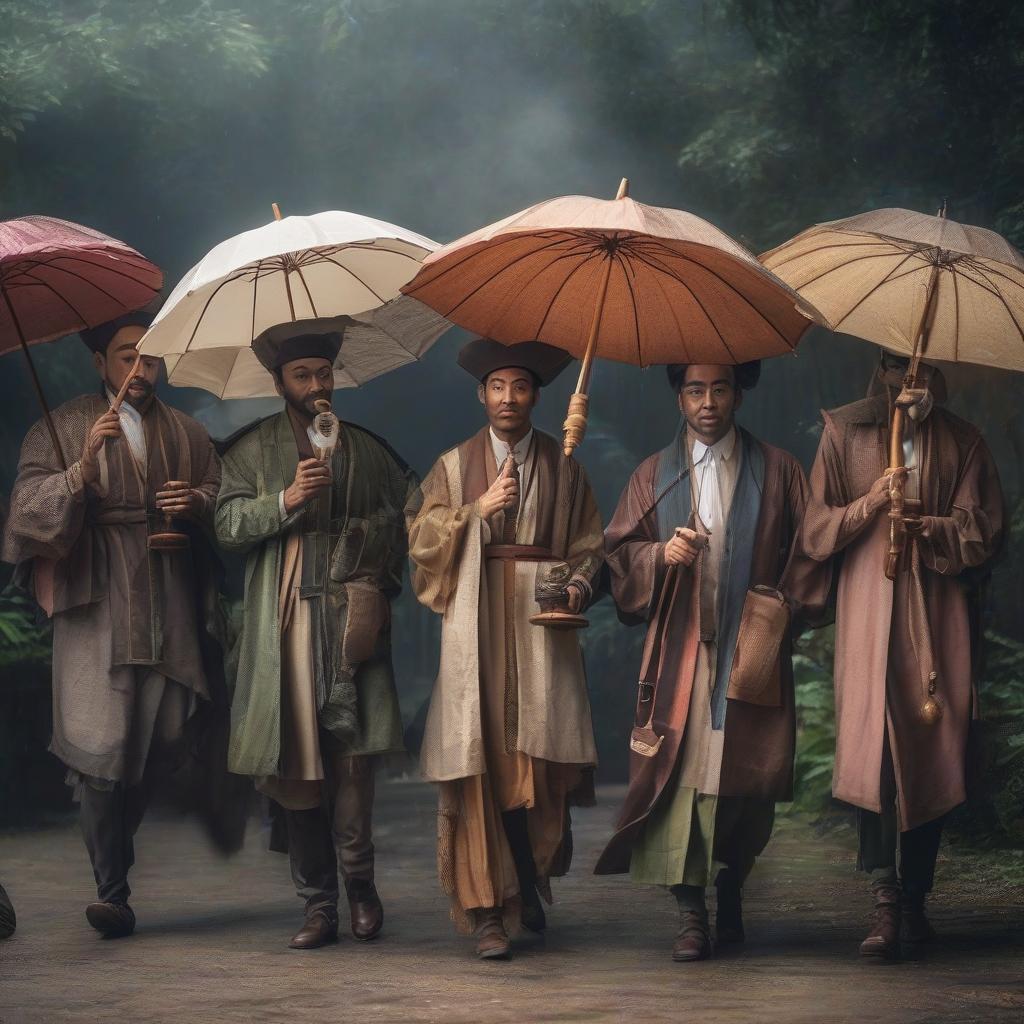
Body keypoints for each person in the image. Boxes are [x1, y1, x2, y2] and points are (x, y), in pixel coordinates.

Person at [2, 306, 223, 938]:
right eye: (128, 356)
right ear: (99, 362)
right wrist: (79, 470)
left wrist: (196, 508)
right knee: (100, 746)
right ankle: (112, 891)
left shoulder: (187, 431)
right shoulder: (60, 424)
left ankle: (115, 863)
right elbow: (25, 510)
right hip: (95, 601)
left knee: (158, 742)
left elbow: (218, 495)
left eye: (150, 357)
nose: (141, 368)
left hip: (167, 597)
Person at [595, 361, 815, 962]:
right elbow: (618, 554)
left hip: (753, 653)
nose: (708, 402)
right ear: (679, 398)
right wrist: (661, 554)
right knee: (680, 782)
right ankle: (691, 912)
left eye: (720, 388)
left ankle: (732, 882)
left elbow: (811, 550)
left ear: (738, 393)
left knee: (748, 784)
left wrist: (782, 609)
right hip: (682, 654)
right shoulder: (654, 477)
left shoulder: (779, 470)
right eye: (695, 389)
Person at [796, 351, 1004, 961]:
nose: (909, 376)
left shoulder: (963, 440)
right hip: (868, 609)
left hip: (936, 612)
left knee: (932, 744)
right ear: (881, 361)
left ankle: (916, 897)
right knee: (877, 749)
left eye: (921, 366)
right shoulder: (845, 430)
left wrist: (927, 525)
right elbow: (814, 530)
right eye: (897, 363)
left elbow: (983, 530)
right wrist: (872, 504)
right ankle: (886, 899)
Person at [216, 323, 414, 950]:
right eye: (302, 376)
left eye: (323, 374)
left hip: (350, 623)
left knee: (352, 765)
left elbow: (409, 519)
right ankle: (318, 903)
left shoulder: (368, 449)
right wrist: (286, 498)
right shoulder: (248, 451)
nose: (316, 386)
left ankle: (361, 887)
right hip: (286, 624)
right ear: (280, 383)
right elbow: (224, 525)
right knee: (296, 765)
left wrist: (367, 536)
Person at [406, 338, 603, 960]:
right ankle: (489, 909)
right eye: (497, 387)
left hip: (539, 626)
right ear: (481, 394)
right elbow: (419, 540)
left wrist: (575, 582)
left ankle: (529, 876)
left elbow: (592, 545)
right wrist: (474, 512)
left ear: (537, 395)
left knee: (536, 763)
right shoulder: (450, 464)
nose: (508, 398)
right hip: (476, 622)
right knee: (481, 758)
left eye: (520, 386)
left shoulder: (565, 463)